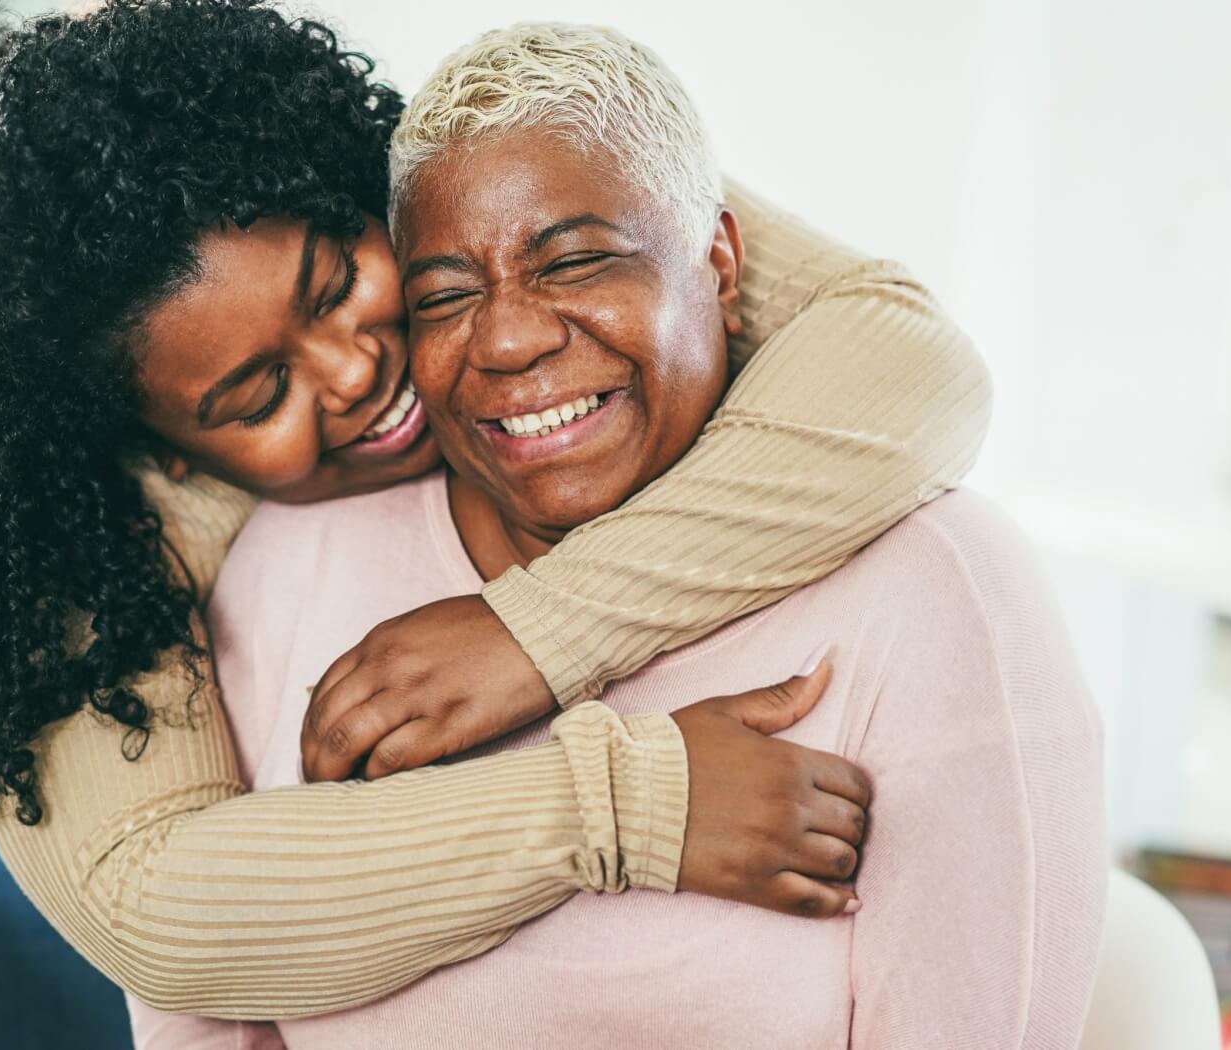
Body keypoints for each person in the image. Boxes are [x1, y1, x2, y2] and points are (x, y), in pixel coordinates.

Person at [0, 0, 990, 1025]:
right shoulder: (81, 528)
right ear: (158, 451)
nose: (354, 372)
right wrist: (621, 802)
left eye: (337, 283)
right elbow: (154, 905)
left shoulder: (454, 172)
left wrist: (538, 630)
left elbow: (908, 355)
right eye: (258, 393)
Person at [131, 23, 1105, 1048]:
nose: (508, 337)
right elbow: (207, 1006)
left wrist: (536, 633)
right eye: (447, 297)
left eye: (578, 261)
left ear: (720, 263)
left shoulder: (938, 591)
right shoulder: (287, 572)